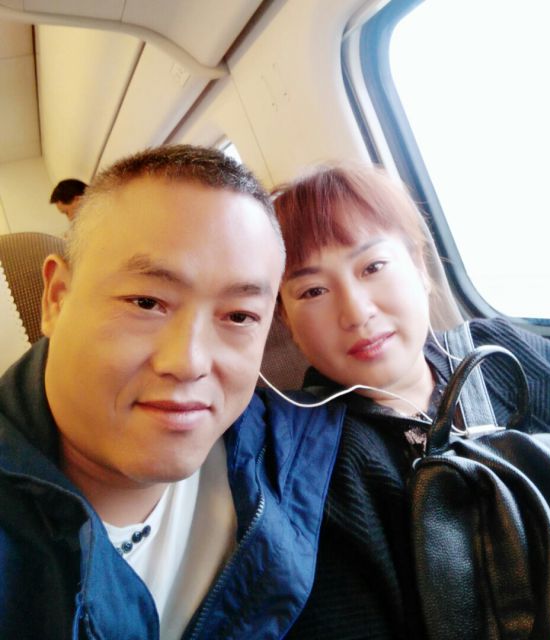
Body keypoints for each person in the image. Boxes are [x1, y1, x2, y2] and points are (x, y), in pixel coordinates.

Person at [271, 163, 550, 638]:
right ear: (287, 321)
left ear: (418, 266)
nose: (356, 312)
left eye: (373, 267)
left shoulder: (510, 353)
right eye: (313, 290)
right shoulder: (309, 463)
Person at [0, 145, 345, 639]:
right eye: (146, 303)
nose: (189, 363)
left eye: (239, 316)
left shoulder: (300, 453)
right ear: (56, 299)